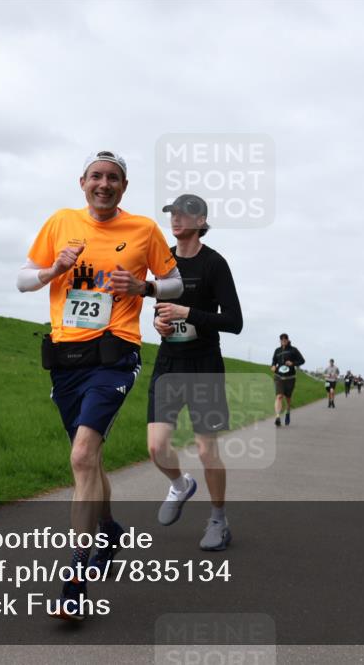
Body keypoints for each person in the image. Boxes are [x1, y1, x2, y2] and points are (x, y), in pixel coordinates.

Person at [17, 150, 183, 621]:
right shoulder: (60, 223)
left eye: (113, 178)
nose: (104, 184)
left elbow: (175, 283)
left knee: (82, 457)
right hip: (66, 358)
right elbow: (22, 279)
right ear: (82, 182)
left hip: (115, 354)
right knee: (89, 462)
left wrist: (144, 289)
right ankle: (109, 527)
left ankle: (74, 579)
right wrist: (53, 271)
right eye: (96, 177)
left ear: (124, 187)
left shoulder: (144, 230)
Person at [147, 193, 243, 551]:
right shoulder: (163, 261)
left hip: (204, 365)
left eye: (185, 214)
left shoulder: (214, 264)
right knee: (157, 447)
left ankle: (218, 519)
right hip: (169, 362)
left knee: (206, 451)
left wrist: (189, 314)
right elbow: (159, 309)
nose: (176, 219)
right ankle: (180, 484)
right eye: (172, 213)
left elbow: (234, 322)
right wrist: (159, 324)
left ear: (201, 221)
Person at [271, 333, 305, 426]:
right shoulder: (277, 351)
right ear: (280, 341)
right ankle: (277, 417)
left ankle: (288, 411)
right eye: (281, 340)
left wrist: (292, 363)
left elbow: (302, 361)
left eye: (285, 339)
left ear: (288, 340)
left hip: (290, 378)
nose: (283, 341)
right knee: (279, 396)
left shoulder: (293, 350)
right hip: (279, 377)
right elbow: (274, 361)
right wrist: (273, 366)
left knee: (288, 398)